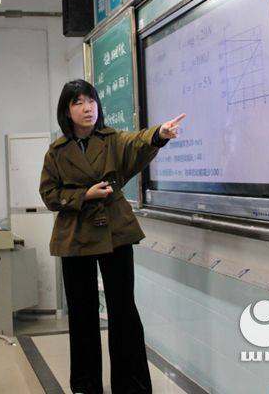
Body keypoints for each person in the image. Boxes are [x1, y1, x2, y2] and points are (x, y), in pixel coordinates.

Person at [39, 79, 185, 394]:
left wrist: (159, 134)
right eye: (78, 102)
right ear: (67, 110)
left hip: (114, 232)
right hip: (74, 236)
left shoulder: (112, 140)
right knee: (82, 314)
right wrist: (83, 195)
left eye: (90, 100)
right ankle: (85, 385)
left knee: (123, 311)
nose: (87, 107)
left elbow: (138, 141)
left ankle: (131, 386)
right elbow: (50, 195)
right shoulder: (57, 151)